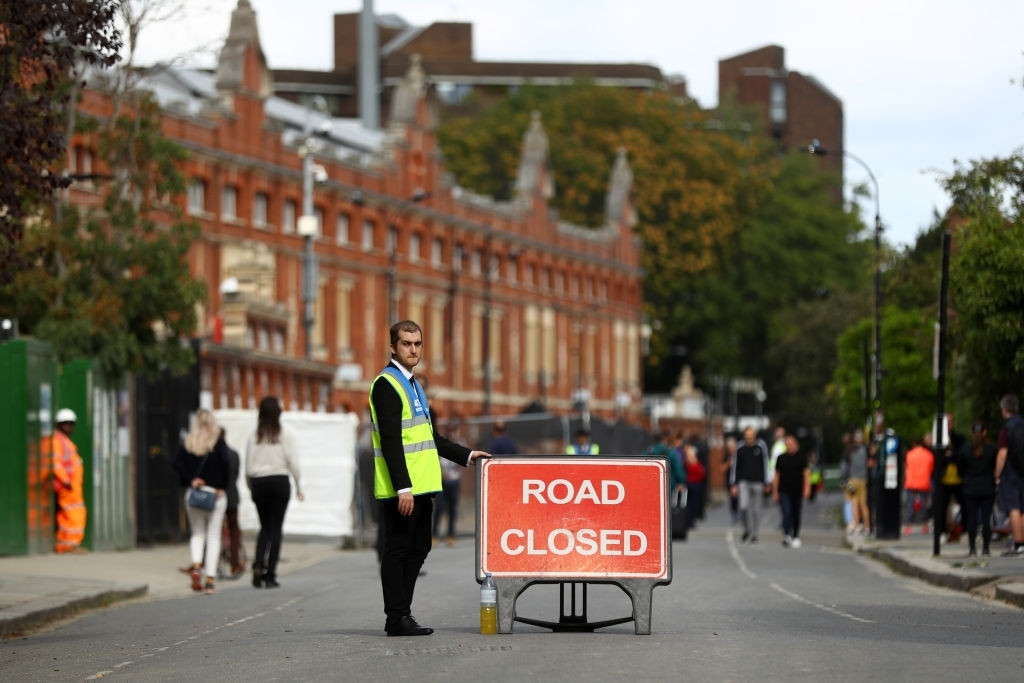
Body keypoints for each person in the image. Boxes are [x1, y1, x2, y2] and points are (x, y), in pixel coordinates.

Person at [369, 320, 489, 637]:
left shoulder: (414, 385)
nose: (413, 349)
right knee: (397, 551)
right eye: (406, 343)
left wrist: (466, 455)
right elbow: (392, 441)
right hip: (404, 489)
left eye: (417, 344)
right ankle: (397, 617)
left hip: (423, 487)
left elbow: (429, 437)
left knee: (419, 547)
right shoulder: (387, 385)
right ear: (393, 347)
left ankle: (401, 614)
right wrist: (402, 487)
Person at [246, 396, 304, 588]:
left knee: (264, 526)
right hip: (279, 480)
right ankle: (270, 575)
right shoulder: (285, 434)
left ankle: (257, 564)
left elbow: (248, 466)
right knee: (276, 528)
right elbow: (293, 462)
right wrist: (299, 486)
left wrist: (250, 487)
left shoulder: (254, 435)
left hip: (259, 481)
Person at [172, 409, 230, 594]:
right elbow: (228, 466)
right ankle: (210, 581)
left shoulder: (188, 443)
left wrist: (191, 479)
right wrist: (221, 486)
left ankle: (196, 566)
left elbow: (176, 463)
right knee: (213, 536)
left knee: (197, 534)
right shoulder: (217, 444)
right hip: (214, 495)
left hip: (194, 494)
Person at [958, 422, 997, 556]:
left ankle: (972, 548)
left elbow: (960, 470)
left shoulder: (965, 449)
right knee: (986, 519)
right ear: (985, 432)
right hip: (987, 486)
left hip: (970, 487)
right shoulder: (991, 449)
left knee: (972, 519)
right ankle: (986, 548)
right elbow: (994, 467)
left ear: (971, 432)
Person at [51, 408, 87, 554]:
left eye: (71, 424)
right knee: (74, 515)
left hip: (73, 486)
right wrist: (65, 480)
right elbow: (55, 462)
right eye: (65, 424)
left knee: (69, 516)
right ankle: (70, 545)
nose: (69, 427)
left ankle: (66, 544)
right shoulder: (57, 441)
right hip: (68, 486)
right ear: (59, 424)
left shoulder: (65, 441)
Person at [729, 426, 770, 543]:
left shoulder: (761, 446)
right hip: (743, 481)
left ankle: (755, 534)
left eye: (751, 434)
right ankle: (747, 529)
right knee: (743, 506)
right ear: (744, 435)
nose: (750, 436)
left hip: (758, 481)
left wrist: (767, 481)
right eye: (747, 434)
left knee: (756, 509)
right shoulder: (740, 447)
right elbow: (735, 466)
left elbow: (766, 464)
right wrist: (733, 483)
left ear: (755, 435)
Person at [995, 394, 1024, 556]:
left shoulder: (1006, 428)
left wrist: (997, 474)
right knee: (1023, 508)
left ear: (1004, 409)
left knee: (1014, 507)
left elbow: (1002, 454)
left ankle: (1018, 543)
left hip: (1011, 472)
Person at [432, 414, 465, 548]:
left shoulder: (461, 442)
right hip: (442, 480)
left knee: (452, 509)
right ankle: (434, 535)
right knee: (439, 508)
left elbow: (462, 460)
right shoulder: (442, 442)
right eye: (450, 429)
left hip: (454, 480)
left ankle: (451, 535)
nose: (452, 431)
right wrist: (441, 473)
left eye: (454, 428)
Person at [934, 413, 967, 543]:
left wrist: (951, 456)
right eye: (947, 422)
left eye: (951, 421)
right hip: (944, 478)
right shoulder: (938, 439)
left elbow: (962, 455)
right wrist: (949, 456)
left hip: (958, 478)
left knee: (965, 505)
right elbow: (939, 457)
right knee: (941, 506)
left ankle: (964, 531)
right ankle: (942, 531)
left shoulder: (960, 438)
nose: (949, 424)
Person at [772, 435, 810, 548]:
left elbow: (806, 474)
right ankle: (787, 534)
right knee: (786, 512)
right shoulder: (781, 458)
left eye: (791, 444)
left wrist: (807, 488)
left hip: (797, 490)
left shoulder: (801, 457)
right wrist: (775, 491)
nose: (789, 446)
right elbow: (777, 475)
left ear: (796, 445)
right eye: (787, 444)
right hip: (784, 490)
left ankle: (796, 536)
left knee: (796, 513)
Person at [220, 428, 245, 577]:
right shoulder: (234, 454)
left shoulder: (212, 454)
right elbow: (236, 475)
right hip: (232, 496)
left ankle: (206, 562)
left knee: (214, 530)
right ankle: (235, 563)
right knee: (234, 530)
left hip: (217, 497)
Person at [903, 433, 934, 536]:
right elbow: (931, 468)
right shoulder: (929, 455)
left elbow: (906, 467)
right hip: (924, 482)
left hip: (911, 482)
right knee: (924, 506)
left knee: (909, 506)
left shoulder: (909, 454)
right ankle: (925, 525)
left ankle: (908, 526)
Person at [843, 430, 871, 536]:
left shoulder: (850, 450)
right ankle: (867, 527)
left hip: (852, 480)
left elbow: (845, 466)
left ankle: (856, 526)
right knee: (863, 504)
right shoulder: (866, 450)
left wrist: (843, 480)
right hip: (863, 480)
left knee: (854, 503)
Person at [682, 442, 706, 530]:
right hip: (693, 484)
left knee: (692, 504)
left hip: (693, 484)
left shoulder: (690, 463)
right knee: (692, 504)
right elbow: (701, 474)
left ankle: (690, 520)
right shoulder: (694, 464)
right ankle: (690, 521)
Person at [721, 436, 739, 524]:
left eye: (733, 447)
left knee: (740, 498)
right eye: (730, 447)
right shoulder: (727, 456)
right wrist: (729, 463)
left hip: (739, 480)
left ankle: (741, 514)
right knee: (733, 499)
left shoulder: (740, 455)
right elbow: (721, 468)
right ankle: (734, 514)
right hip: (730, 481)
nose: (732, 449)